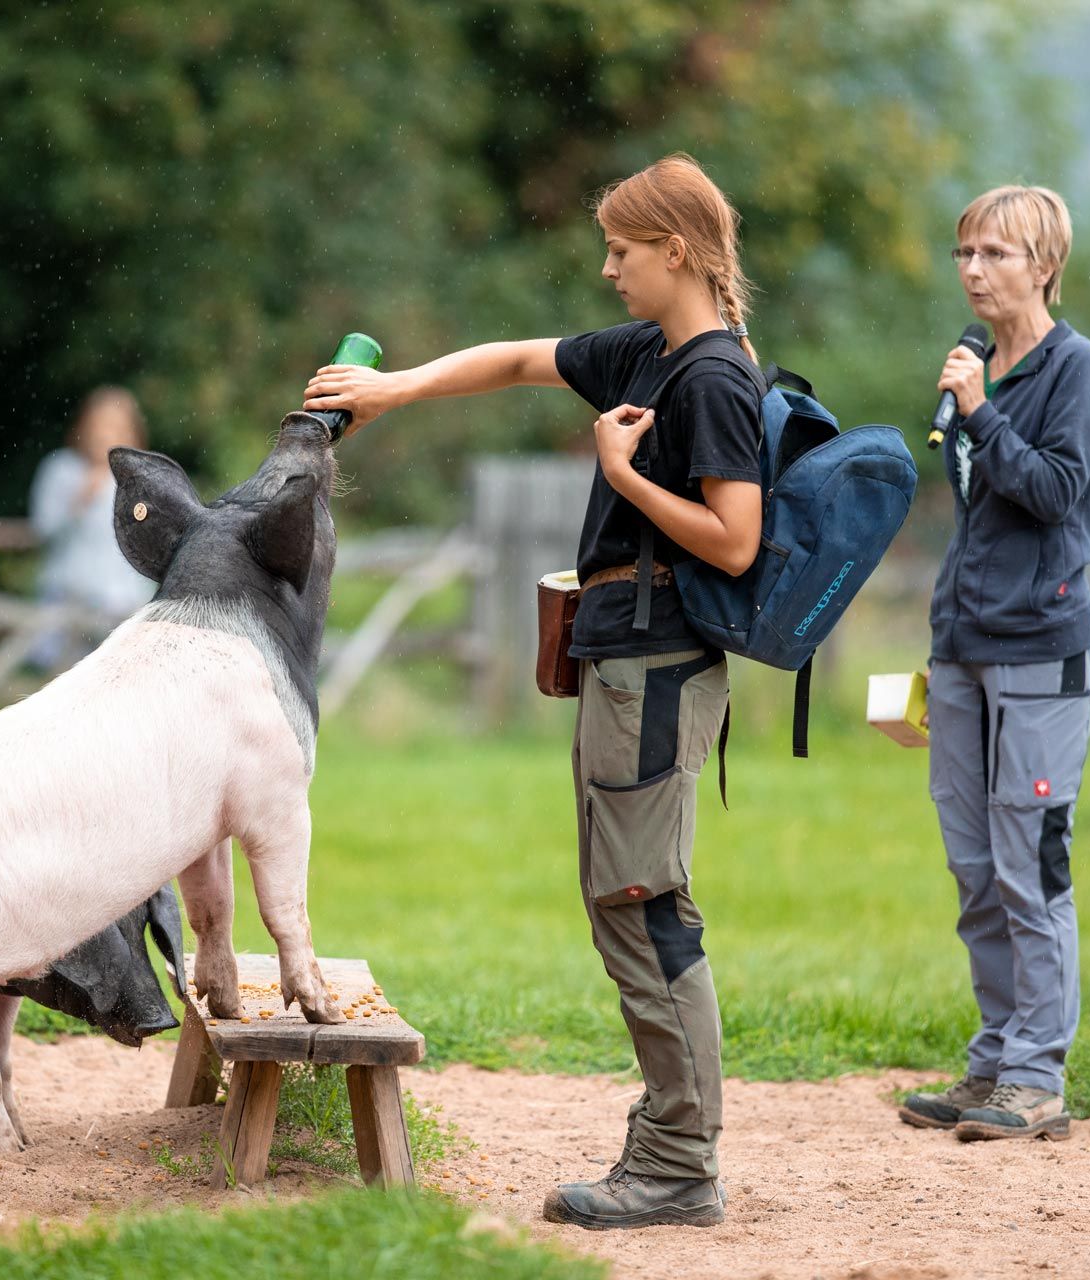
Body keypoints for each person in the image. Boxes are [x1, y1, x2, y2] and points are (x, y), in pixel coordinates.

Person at [305, 153, 764, 1230]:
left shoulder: (711, 377)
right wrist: (395, 390)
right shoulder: (651, 355)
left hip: (656, 668)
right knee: (626, 899)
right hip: (624, 664)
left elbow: (736, 543)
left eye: (622, 250)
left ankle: (679, 1159)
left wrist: (624, 478)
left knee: (645, 905)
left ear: (677, 253)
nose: (607, 268)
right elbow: (519, 358)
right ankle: (670, 1141)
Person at [898, 185, 1090, 1143]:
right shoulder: (975, 363)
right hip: (962, 650)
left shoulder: (1078, 370)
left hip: (1040, 652)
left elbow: (1056, 497)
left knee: (1032, 868)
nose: (975, 270)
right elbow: (976, 519)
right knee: (974, 867)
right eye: (965, 254)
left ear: (1045, 265)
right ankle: (991, 1066)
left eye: (995, 253)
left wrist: (983, 414)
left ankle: (1038, 1079)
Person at [27, 387, 158, 667]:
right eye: (97, 426)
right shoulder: (61, 470)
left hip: (122, 602)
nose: (103, 435)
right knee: (62, 677)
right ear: (82, 428)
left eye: (114, 427)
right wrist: (76, 505)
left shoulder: (140, 479)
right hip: (67, 595)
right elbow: (43, 530)